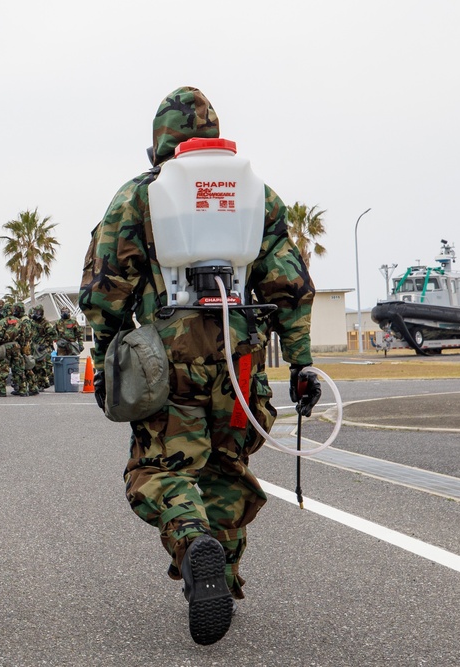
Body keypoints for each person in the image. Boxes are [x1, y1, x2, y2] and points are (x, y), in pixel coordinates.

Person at [78, 86, 318, 646]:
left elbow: (105, 288)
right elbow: (292, 285)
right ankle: (221, 578)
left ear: (159, 142)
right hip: (241, 361)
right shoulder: (257, 194)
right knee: (226, 466)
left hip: (169, 363)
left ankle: (192, 543)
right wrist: (302, 364)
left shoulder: (142, 195)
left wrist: (109, 356)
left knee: (158, 468)